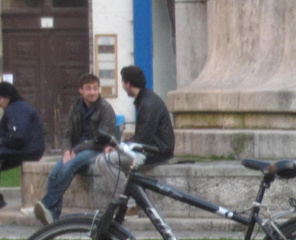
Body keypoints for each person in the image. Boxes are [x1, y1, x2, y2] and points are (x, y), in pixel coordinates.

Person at [33, 73, 118, 225]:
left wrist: (76, 150)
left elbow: (102, 139)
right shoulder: (76, 107)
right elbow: (68, 134)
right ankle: (52, 214)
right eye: (88, 89)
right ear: (81, 90)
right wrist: (66, 150)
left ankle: (46, 206)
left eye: (95, 89)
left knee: (70, 166)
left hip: (96, 149)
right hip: (77, 150)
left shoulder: (105, 109)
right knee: (55, 171)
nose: (92, 92)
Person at [0, 83, 47, 210]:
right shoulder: (15, 107)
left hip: (29, 149)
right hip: (28, 148)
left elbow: (18, 137)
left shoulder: (16, 109)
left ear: (6, 97)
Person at [117, 66, 174, 169]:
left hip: (157, 152)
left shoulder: (148, 104)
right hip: (154, 148)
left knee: (109, 160)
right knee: (107, 158)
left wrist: (120, 146)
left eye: (122, 82)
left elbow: (143, 138)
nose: (122, 85)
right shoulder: (145, 99)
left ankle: (121, 185)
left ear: (128, 84)